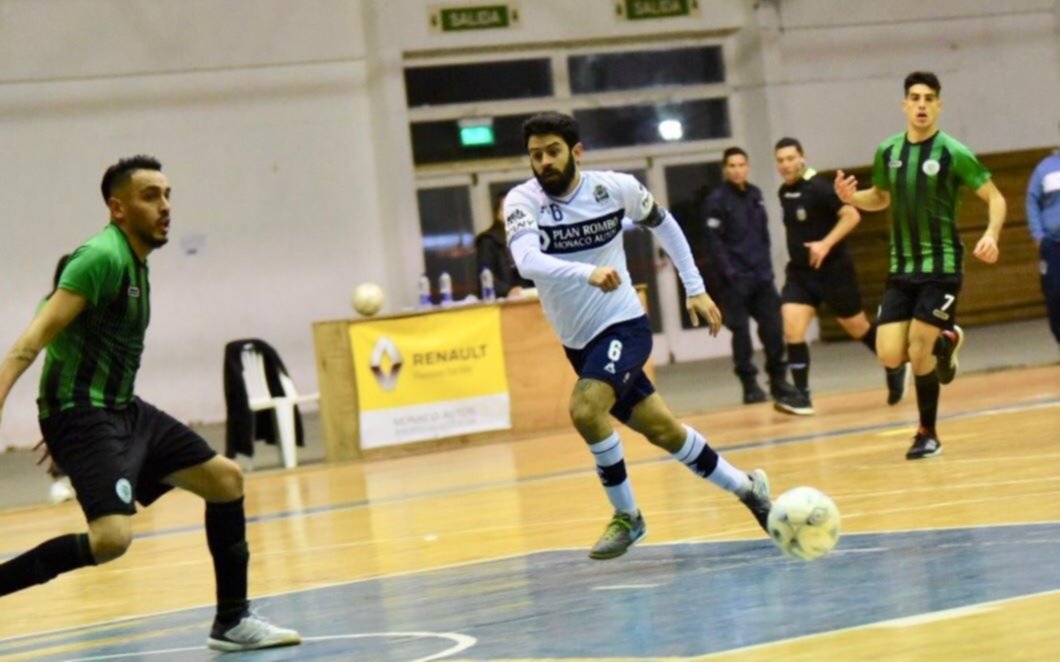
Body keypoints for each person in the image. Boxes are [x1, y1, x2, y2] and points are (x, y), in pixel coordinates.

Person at [0, 156, 300, 651]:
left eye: (167, 194)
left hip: (121, 411)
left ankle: (232, 622)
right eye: (150, 196)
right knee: (111, 539)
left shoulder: (136, 261)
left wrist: (65, 431)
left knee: (225, 479)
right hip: (85, 413)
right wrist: (59, 419)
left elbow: (75, 345)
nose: (165, 206)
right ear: (118, 209)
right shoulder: (102, 257)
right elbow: (31, 340)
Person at [504, 112, 773, 560]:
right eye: (536, 155)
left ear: (576, 152)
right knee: (665, 431)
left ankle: (628, 516)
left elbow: (665, 224)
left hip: (624, 324)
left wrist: (696, 287)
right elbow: (527, 261)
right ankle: (749, 490)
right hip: (580, 342)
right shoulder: (522, 201)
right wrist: (587, 272)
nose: (544, 162)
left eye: (553, 152)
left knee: (587, 410)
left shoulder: (614, 189)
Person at [836, 71, 1007, 459]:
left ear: (939, 105)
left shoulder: (953, 153)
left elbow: (995, 198)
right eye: (915, 98)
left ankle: (927, 433)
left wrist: (992, 234)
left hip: (942, 266)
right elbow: (880, 197)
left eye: (929, 98)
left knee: (918, 350)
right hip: (902, 268)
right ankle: (948, 339)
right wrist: (853, 197)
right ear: (904, 105)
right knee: (888, 355)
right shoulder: (889, 151)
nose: (921, 105)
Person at [772, 137, 907, 416]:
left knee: (856, 326)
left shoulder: (819, 187)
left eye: (790, 158)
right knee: (792, 327)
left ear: (802, 158)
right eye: (781, 160)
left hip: (833, 271)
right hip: (800, 273)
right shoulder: (784, 192)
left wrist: (825, 243)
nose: (785, 165)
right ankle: (802, 396)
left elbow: (851, 215)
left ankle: (895, 364)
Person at [703, 147, 795, 404]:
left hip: (761, 277)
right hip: (735, 281)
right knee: (741, 334)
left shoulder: (756, 195)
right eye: (731, 165)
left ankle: (779, 381)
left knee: (774, 330)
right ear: (725, 169)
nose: (737, 170)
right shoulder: (717, 200)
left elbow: (763, 235)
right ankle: (750, 385)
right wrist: (730, 273)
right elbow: (714, 244)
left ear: (748, 166)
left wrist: (766, 269)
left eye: (741, 164)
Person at [1026, 143, 1060, 346]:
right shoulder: (1044, 169)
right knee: (1055, 293)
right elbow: (1032, 202)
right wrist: (1038, 236)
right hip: (1053, 245)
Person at [475, 191, 533, 299]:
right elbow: (485, 276)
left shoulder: (526, 238)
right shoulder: (488, 240)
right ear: (498, 213)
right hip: (502, 301)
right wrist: (508, 290)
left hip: (529, 297)